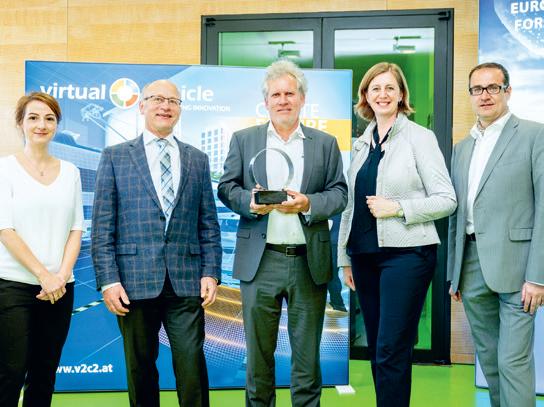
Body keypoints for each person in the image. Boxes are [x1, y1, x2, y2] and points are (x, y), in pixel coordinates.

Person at [218, 59, 347, 406]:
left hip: (308, 262)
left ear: (302, 98)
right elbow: (227, 187)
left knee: (307, 359)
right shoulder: (244, 140)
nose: (283, 100)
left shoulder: (325, 143)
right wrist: (250, 202)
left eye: (290, 93)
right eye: (276, 95)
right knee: (258, 358)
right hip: (260, 263)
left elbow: (339, 193)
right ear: (266, 101)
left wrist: (308, 203)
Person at [91, 79, 222, 407]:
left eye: (173, 101)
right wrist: (108, 281)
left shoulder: (197, 159)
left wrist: (210, 272)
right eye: (158, 99)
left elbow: (208, 223)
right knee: (140, 368)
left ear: (180, 109)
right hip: (132, 283)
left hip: (186, 282)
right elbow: (103, 226)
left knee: (192, 365)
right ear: (142, 106)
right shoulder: (115, 157)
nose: (165, 106)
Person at [337, 62, 456, 407]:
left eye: (390, 87)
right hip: (364, 257)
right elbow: (350, 206)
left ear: (402, 94)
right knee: (377, 347)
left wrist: (398, 208)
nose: (383, 94)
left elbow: (447, 199)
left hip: (407, 256)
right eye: (375, 88)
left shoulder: (420, 138)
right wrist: (344, 257)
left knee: (391, 347)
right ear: (365, 96)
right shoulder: (362, 144)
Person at [447, 62, 544, 407]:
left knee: (512, 362)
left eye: (493, 87)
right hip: (472, 267)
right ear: (470, 95)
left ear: (508, 91)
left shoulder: (534, 135)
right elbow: (457, 214)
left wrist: (538, 276)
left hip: (519, 269)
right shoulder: (462, 148)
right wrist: (455, 273)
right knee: (489, 360)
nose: (485, 95)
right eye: (477, 89)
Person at [0, 92, 83, 407]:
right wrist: (43, 275)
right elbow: (5, 229)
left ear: (57, 125)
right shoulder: (4, 169)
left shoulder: (71, 171)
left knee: (44, 374)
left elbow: (76, 228)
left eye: (49, 119)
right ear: (20, 123)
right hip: (13, 286)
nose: (41, 125)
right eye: (33, 118)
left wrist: (60, 276)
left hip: (60, 289)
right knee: (10, 372)